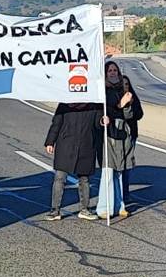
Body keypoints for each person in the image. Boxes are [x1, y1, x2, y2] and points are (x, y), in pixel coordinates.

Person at [96, 61, 143, 219]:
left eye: (115, 70)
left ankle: (119, 204)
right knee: (108, 170)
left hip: (124, 133)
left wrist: (127, 104)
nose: (113, 73)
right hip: (109, 134)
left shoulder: (123, 89)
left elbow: (130, 115)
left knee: (120, 171)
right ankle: (104, 206)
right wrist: (119, 106)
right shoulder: (102, 90)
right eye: (110, 70)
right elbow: (105, 111)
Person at [43, 102, 104, 221]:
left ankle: (84, 209)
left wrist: (103, 122)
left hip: (86, 145)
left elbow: (98, 125)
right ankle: (55, 210)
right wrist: (50, 141)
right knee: (60, 178)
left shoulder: (95, 105)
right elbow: (56, 124)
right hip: (65, 145)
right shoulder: (64, 105)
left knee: (84, 179)